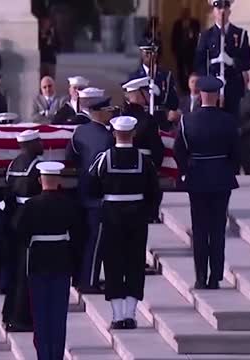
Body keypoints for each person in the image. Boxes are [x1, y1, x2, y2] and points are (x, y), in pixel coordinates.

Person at [89, 116, 160, 329]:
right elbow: (154, 192)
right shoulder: (143, 160)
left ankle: (117, 315)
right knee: (135, 263)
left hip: (111, 215)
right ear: (134, 133)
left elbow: (91, 186)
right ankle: (130, 314)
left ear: (113, 134)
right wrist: (147, 212)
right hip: (137, 216)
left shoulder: (105, 158)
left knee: (113, 263)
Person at [173, 76, 240, 290]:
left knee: (200, 229)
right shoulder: (228, 120)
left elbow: (178, 151)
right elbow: (236, 152)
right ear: (218, 96)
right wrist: (227, 168)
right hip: (221, 177)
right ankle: (215, 276)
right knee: (218, 228)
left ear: (200, 95)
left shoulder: (187, 121)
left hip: (197, 177)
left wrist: (185, 171)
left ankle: (200, 276)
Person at [19, 161, 82, 360]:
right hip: (61, 261)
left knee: (40, 315)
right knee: (58, 315)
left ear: (39, 180)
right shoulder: (69, 204)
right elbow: (79, 235)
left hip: (38, 261)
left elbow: (20, 234)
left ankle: (43, 356)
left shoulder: (31, 205)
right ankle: (56, 356)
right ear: (59, 181)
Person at [66, 93, 115, 294]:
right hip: (99, 197)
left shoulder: (80, 132)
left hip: (82, 194)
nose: (110, 114)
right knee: (96, 241)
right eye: (107, 111)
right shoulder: (107, 138)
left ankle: (81, 277)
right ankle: (89, 281)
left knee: (84, 239)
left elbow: (71, 156)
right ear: (99, 113)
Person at [1, 130, 44, 332]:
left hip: (14, 218)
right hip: (31, 218)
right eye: (39, 141)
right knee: (24, 271)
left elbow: (9, 189)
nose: (42, 144)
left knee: (16, 269)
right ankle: (20, 317)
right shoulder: (37, 166)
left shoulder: (13, 164)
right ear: (31, 144)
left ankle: (10, 313)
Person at [194, 0, 250, 118]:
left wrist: (232, 62)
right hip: (212, 89)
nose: (222, 11)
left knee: (231, 123)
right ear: (213, 11)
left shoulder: (240, 34)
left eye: (225, 7)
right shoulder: (206, 35)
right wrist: (210, 77)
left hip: (232, 88)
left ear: (229, 11)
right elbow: (199, 64)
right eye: (218, 8)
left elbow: (247, 62)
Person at [121, 77, 165, 223]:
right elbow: (157, 148)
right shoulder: (148, 119)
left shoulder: (118, 117)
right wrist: (156, 167)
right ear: (139, 94)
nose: (148, 94)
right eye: (145, 91)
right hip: (143, 169)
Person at [129, 40, 180, 131]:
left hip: (161, 119)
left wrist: (160, 94)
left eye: (152, 53)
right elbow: (130, 104)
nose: (150, 56)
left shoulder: (166, 75)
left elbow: (174, 102)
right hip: (142, 119)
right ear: (141, 53)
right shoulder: (134, 76)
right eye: (147, 53)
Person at [171, 8, 201, 92]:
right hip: (180, 51)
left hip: (191, 51)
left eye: (187, 13)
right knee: (180, 70)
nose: (185, 15)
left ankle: (191, 87)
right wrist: (174, 50)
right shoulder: (177, 24)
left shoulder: (195, 23)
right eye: (184, 13)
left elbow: (198, 35)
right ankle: (182, 87)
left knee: (191, 69)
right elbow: (174, 38)